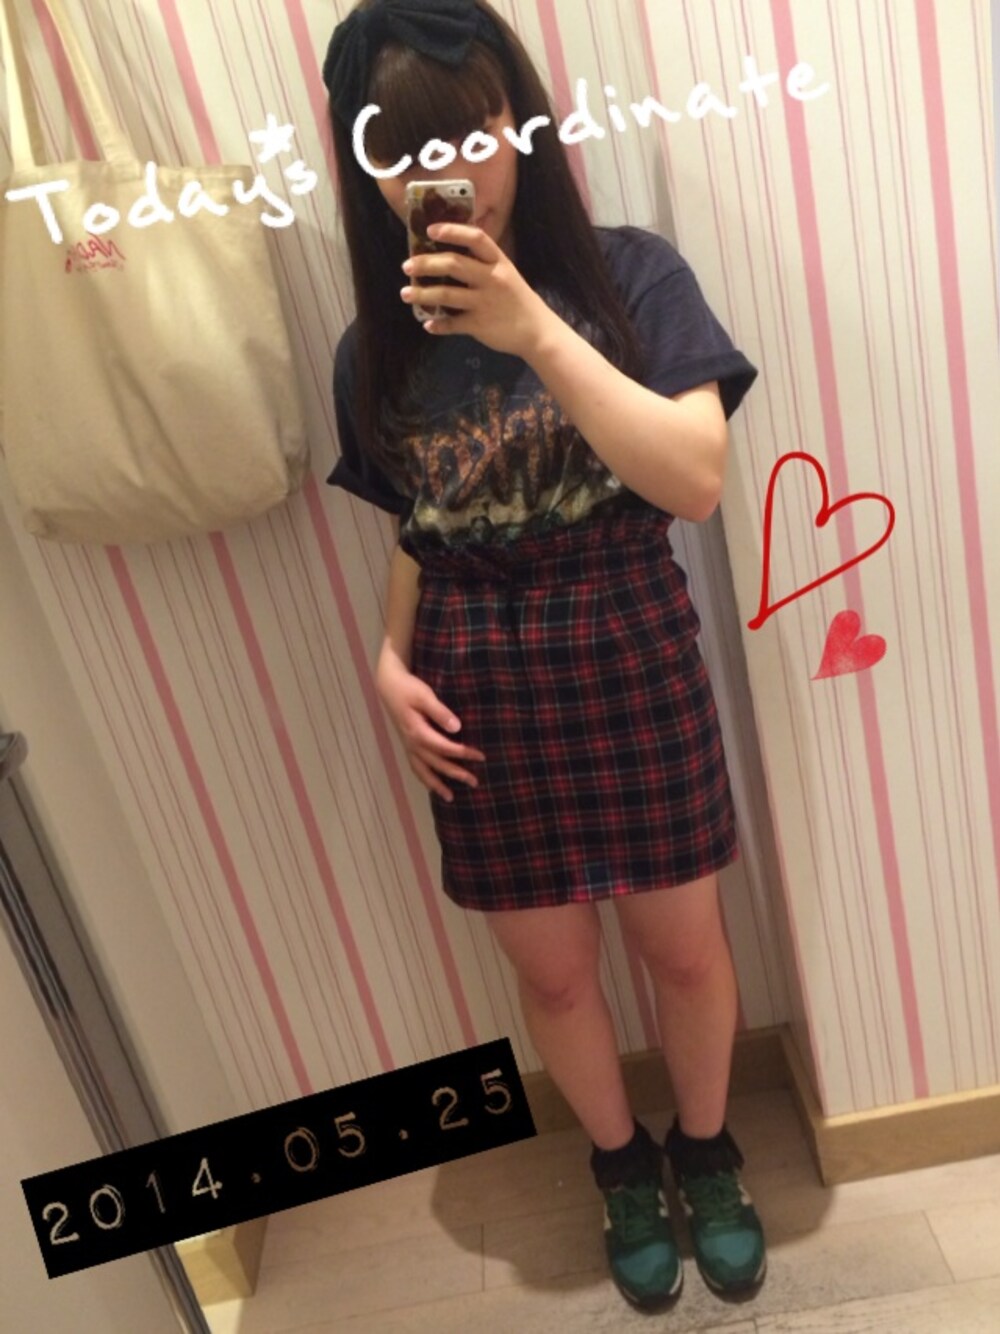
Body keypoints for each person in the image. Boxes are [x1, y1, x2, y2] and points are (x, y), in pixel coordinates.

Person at [322, 0, 766, 1314]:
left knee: (685, 951)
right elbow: (422, 522)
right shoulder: (374, 349)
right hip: (476, 686)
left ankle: (708, 1152)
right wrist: (388, 659)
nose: (445, 169)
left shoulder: (633, 279)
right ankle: (622, 1168)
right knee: (555, 973)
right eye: (403, 148)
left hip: (628, 647)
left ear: (517, 122)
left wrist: (530, 330)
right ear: (367, 168)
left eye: (468, 130)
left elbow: (693, 479)